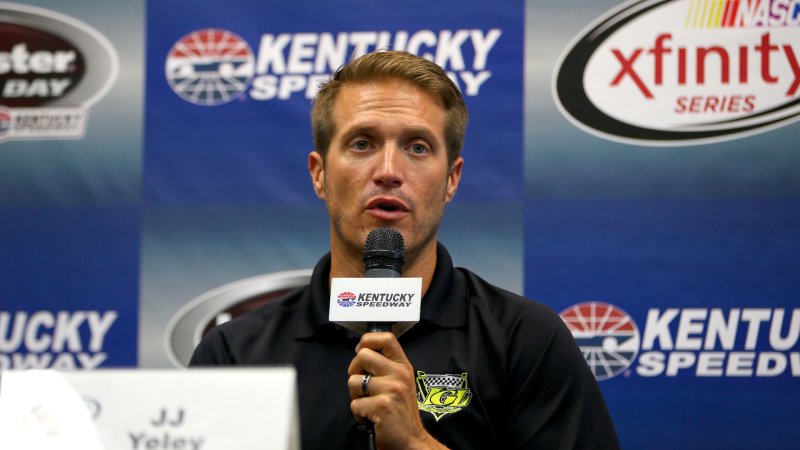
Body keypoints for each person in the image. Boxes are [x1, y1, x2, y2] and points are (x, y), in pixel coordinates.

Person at [190, 50, 620, 450]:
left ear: (451, 179)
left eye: (417, 147)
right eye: (362, 143)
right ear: (319, 174)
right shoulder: (235, 354)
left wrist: (417, 442)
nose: (389, 171)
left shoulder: (525, 340)